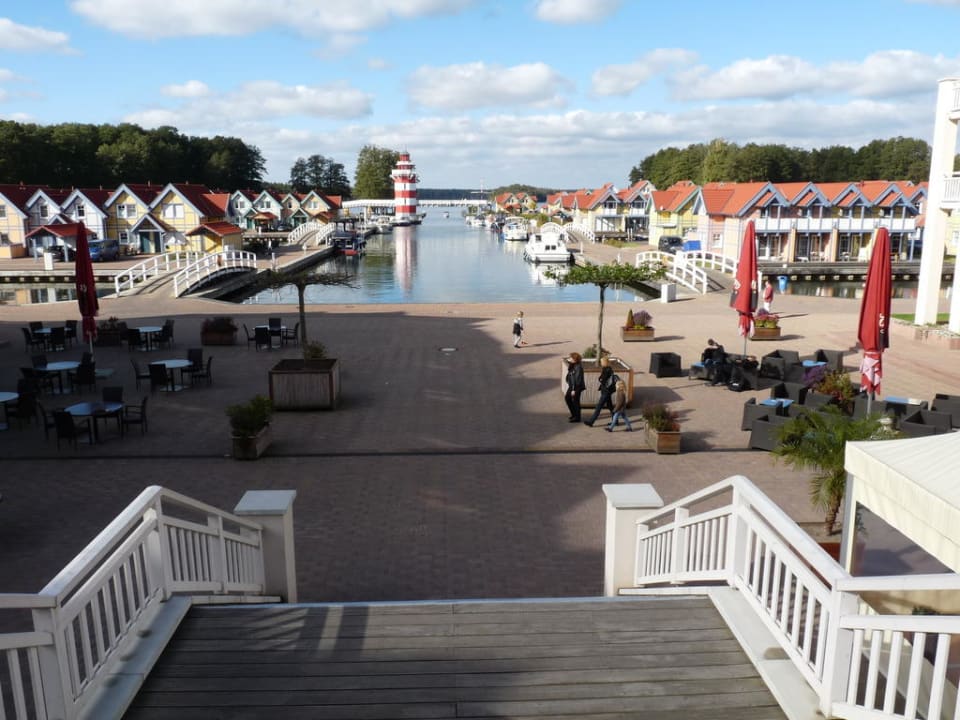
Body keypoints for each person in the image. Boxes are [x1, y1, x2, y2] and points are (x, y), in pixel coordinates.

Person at [583, 357, 615, 427]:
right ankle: (615, 421)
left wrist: (601, 379)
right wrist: (601, 379)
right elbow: (601, 378)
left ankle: (591, 421)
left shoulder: (607, 370)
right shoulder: (606, 369)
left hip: (606, 391)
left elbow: (602, 379)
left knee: (599, 406)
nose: (600, 363)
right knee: (610, 406)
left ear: (604, 362)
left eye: (601, 362)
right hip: (606, 390)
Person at [564, 352, 586, 422]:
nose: (569, 358)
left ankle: (577, 417)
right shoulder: (573, 365)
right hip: (572, 385)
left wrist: (574, 389)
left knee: (576, 401)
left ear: (575, 359)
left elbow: (577, 379)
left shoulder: (578, 367)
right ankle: (574, 414)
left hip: (576, 387)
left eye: (571, 358)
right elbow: (570, 375)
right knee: (568, 398)